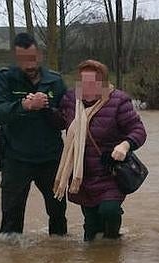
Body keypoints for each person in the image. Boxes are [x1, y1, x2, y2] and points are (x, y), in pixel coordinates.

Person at [54, 59, 147, 241]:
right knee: (90, 230)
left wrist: (125, 145)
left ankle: (113, 242)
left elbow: (138, 130)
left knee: (109, 210)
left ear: (103, 84)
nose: (87, 88)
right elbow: (58, 122)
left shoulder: (118, 101)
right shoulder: (71, 99)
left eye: (92, 83)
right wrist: (40, 108)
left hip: (110, 172)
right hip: (82, 176)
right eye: (83, 83)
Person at [0, 32, 67, 235]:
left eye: (32, 58)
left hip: (51, 159)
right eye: (23, 60)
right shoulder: (5, 78)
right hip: (15, 159)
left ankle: (59, 261)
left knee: (58, 215)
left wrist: (49, 108)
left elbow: (67, 120)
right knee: (10, 222)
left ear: (39, 55)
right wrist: (24, 105)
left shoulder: (55, 81)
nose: (29, 65)